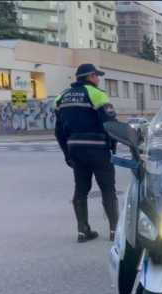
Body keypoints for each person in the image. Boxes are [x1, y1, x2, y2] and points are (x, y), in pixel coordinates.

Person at [54, 64, 119, 242]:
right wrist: (113, 146)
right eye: (97, 76)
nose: (98, 79)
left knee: (81, 189)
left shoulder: (61, 97)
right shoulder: (97, 94)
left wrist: (67, 153)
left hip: (75, 149)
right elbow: (110, 124)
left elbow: (59, 131)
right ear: (90, 76)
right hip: (98, 148)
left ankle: (83, 231)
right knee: (107, 188)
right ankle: (114, 230)